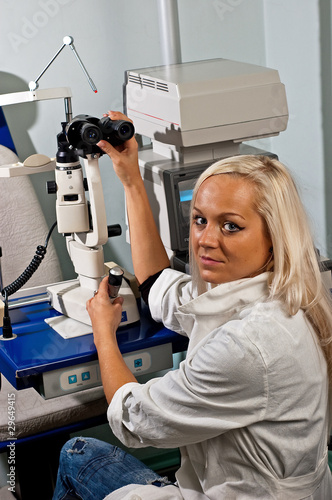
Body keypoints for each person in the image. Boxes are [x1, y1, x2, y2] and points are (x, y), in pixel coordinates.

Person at [53, 111, 332, 500]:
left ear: (274, 236)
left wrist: (104, 333)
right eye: (200, 220)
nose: (205, 240)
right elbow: (155, 285)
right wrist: (131, 178)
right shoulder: (284, 291)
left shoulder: (249, 344)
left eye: (231, 225)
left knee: (76, 452)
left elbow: (135, 420)